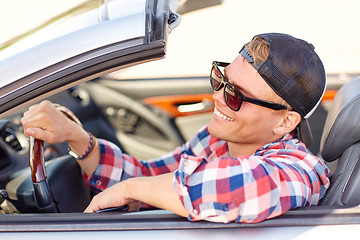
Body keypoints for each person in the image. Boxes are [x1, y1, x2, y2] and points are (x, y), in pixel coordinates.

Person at [21, 33, 331, 223]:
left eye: (236, 95)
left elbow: (244, 189)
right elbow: (152, 176)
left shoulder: (301, 168)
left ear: (285, 121)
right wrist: (76, 137)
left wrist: (131, 189)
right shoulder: (216, 140)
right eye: (220, 79)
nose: (217, 97)